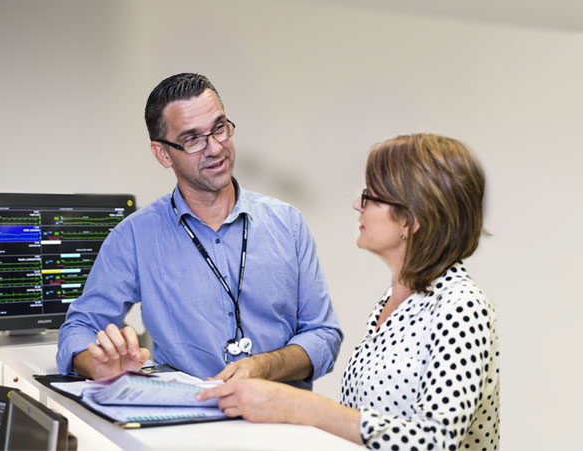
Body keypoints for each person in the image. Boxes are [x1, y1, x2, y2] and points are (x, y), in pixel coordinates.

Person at [199, 133, 500, 450]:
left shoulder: (462, 306)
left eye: (371, 197)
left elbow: (435, 441)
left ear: (411, 220)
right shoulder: (395, 301)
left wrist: (300, 406)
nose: (358, 205)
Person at [56, 73, 342, 389]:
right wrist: (100, 366)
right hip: (184, 425)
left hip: (282, 423)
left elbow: (324, 336)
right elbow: (79, 328)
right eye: (193, 139)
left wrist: (264, 366)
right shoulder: (135, 237)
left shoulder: (288, 223)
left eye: (219, 128)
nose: (215, 148)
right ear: (163, 153)